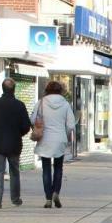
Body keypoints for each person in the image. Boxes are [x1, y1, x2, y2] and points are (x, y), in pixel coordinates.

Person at [0, 78, 32, 210]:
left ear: (2, 89)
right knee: (14, 172)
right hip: (14, 143)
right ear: (14, 89)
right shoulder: (20, 105)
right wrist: (19, 134)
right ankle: (15, 199)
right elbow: (26, 126)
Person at [31, 80, 76, 208]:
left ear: (47, 90)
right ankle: (56, 191)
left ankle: (48, 198)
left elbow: (33, 119)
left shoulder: (41, 103)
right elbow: (71, 124)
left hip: (45, 138)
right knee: (58, 168)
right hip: (60, 138)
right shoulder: (66, 104)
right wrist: (64, 133)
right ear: (60, 90)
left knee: (46, 169)